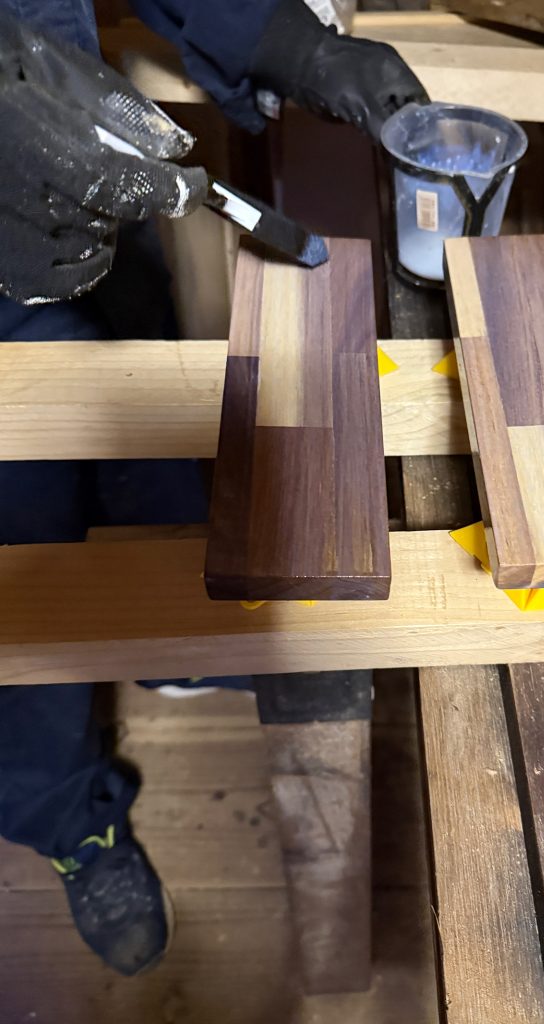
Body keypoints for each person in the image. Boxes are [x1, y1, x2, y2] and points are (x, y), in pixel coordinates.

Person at [0, 1, 427, 977]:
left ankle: (176, 646)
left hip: (66, 164)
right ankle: (70, 820)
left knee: (138, 405)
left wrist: (278, 38)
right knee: (17, 557)